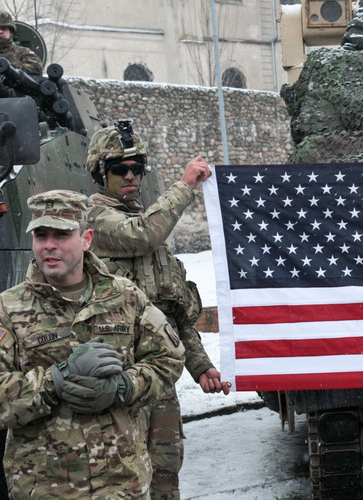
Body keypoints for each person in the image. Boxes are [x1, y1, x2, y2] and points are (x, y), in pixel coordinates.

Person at [0, 190, 185, 498]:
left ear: (86, 239)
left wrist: (125, 386)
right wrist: (53, 382)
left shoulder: (125, 297)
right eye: (41, 234)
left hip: (122, 485)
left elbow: (168, 359)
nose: (49, 245)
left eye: (61, 234)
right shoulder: (7, 308)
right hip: (46, 488)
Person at [85, 120, 229, 499]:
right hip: (118, 383)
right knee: (123, 480)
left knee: (165, 471)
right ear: (101, 174)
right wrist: (184, 187)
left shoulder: (155, 237)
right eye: (120, 169)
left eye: (137, 169)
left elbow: (175, 312)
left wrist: (200, 365)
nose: (131, 176)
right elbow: (141, 233)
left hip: (160, 381)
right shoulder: (94, 220)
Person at [0, 10, 42, 75]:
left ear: (10, 31)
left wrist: (8, 66)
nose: (0, 31)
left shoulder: (23, 53)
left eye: (4, 28)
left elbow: (37, 69)